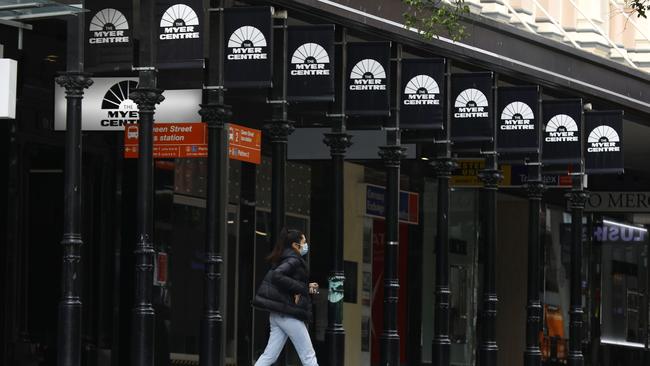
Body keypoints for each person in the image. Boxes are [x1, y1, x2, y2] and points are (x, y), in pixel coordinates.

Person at [252, 228, 320, 366]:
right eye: (304, 241)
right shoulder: (293, 260)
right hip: (288, 315)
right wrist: (303, 288)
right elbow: (278, 276)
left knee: (269, 356)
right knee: (309, 356)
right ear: (295, 245)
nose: (306, 245)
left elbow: (286, 282)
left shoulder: (284, 258)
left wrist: (306, 288)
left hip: (278, 314)